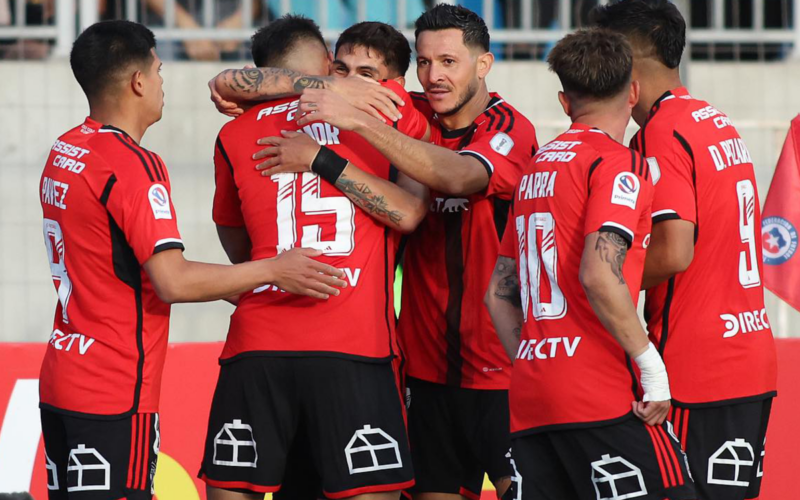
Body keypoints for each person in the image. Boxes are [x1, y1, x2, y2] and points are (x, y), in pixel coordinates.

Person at [208, 6, 538, 497]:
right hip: (417, 367)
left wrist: (330, 133)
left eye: (448, 62)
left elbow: (454, 178)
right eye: (425, 63)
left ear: (484, 64)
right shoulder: (400, 107)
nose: (435, 75)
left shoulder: (503, 126)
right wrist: (331, 91)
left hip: (497, 366)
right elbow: (224, 84)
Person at [38, 20, 345, 500]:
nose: (163, 83)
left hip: (62, 375)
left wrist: (236, 284)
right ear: (138, 82)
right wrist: (272, 270)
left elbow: (120, 262)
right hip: (115, 390)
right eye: (159, 71)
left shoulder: (66, 149)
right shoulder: (132, 163)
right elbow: (172, 281)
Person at [197, 15, 430, 500]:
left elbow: (231, 232)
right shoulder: (387, 107)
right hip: (353, 346)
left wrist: (265, 275)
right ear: (327, 63)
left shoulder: (235, 133)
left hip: (256, 346)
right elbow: (409, 214)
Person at [485, 28, 695, 500]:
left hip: (533, 393)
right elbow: (600, 273)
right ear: (633, 91)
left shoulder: (535, 169)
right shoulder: (619, 163)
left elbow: (498, 295)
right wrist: (651, 369)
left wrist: (537, 361)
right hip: (601, 392)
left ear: (564, 101)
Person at [592, 2, 777, 499]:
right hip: (747, 355)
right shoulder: (713, 119)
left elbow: (674, 251)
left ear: (627, 58)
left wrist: (601, 283)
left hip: (696, 368)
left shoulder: (662, 132)